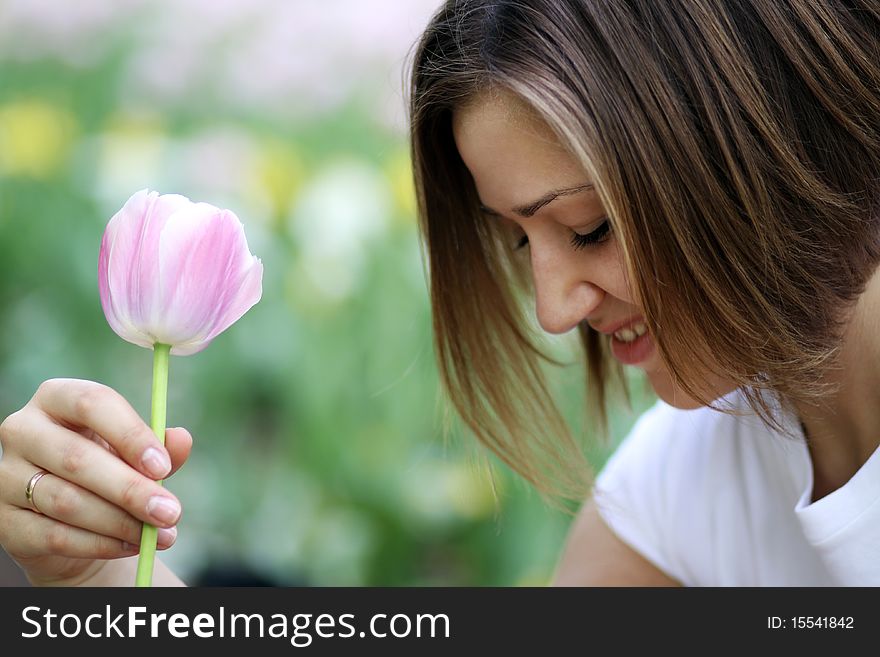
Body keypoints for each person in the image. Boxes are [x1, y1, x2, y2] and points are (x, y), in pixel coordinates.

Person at [1, 0, 878, 587]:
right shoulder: (696, 470)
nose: (551, 309)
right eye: (514, 239)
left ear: (766, 147)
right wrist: (104, 574)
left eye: (588, 229)